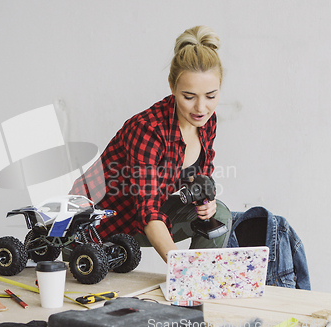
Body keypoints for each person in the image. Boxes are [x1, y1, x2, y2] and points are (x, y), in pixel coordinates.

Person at [69, 26, 232, 262]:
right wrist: (180, 268)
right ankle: (189, 278)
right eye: (189, 96)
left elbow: (201, 177)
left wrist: (206, 200)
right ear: (172, 86)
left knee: (222, 215)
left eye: (210, 95)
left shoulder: (207, 121)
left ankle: (201, 282)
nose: (200, 108)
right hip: (92, 229)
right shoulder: (147, 130)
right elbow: (148, 211)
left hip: (138, 218)